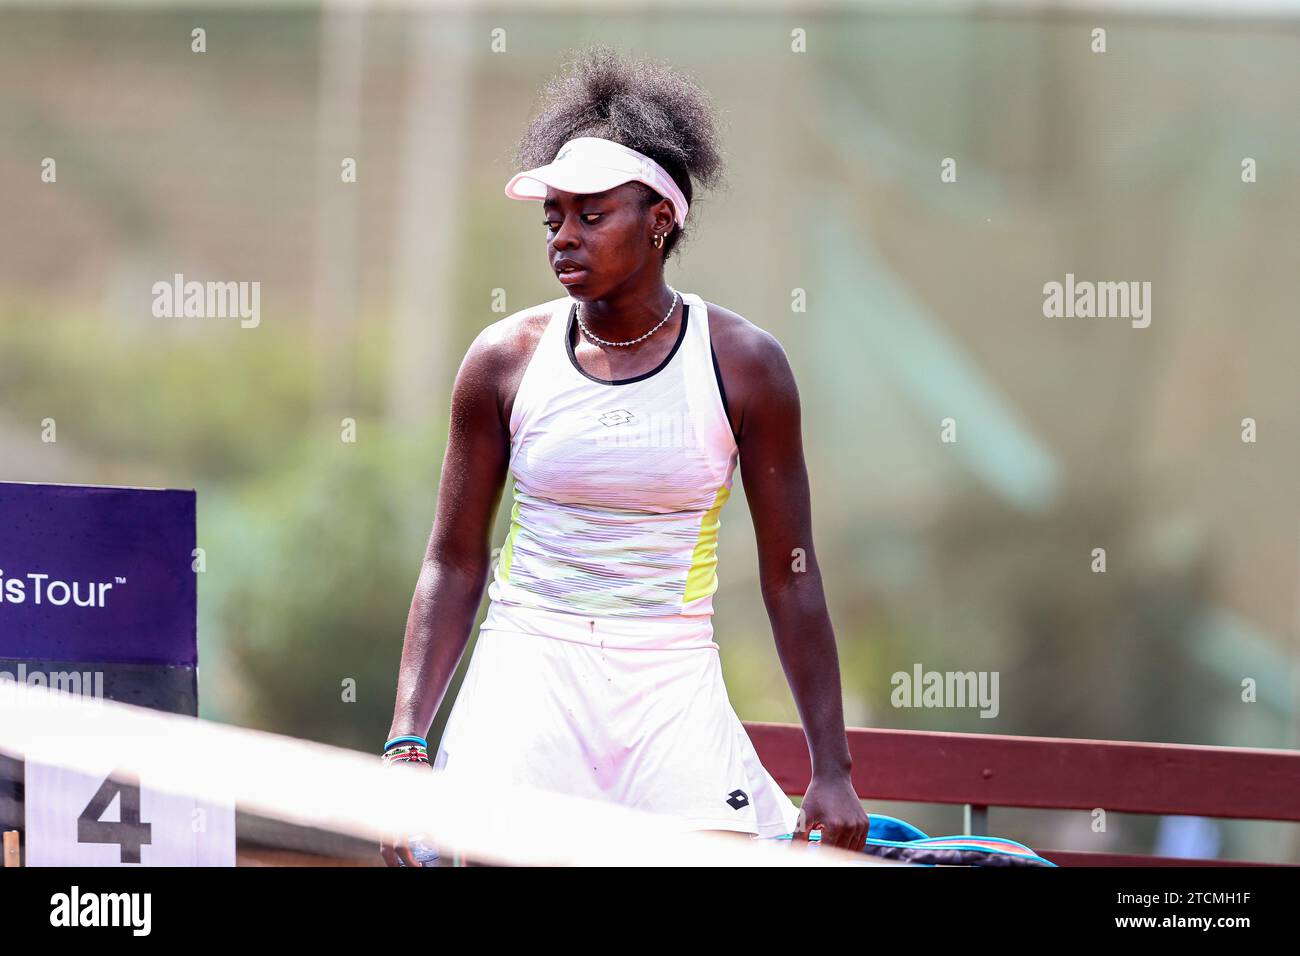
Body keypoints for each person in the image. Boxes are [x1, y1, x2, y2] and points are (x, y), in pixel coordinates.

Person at [381, 45, 867, 866]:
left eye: (591, 215)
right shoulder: (503, 360)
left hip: (669, 679)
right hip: (526, 666)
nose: (564, 238)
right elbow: (454, 563)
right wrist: (405, 743)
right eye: (553, 219)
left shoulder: (746, 365)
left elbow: (792, 572)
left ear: (661, 220)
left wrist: (834, 771)